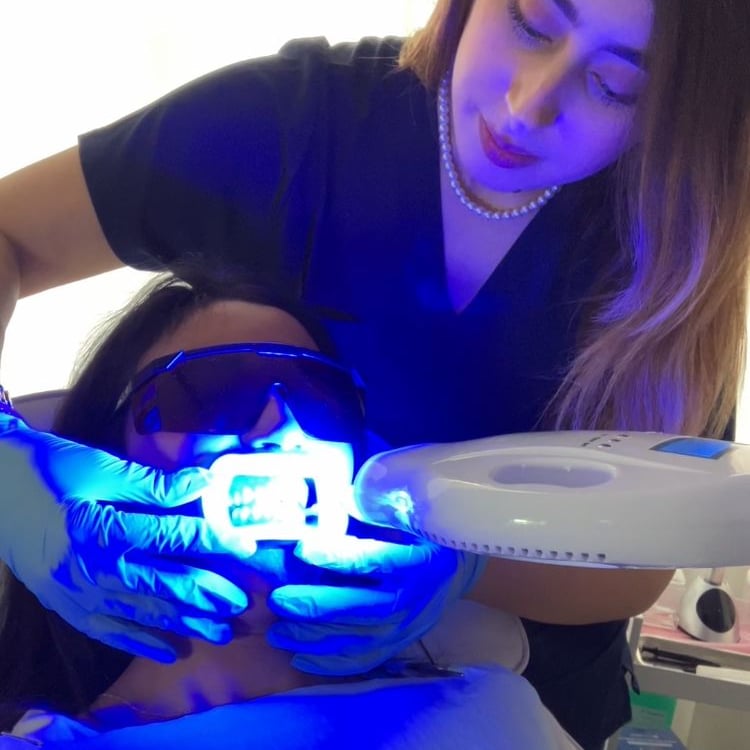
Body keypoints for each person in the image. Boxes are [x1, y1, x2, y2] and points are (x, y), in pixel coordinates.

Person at [1, 0, 749, 746]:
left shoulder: (671, 239)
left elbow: (639, 558)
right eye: (531, 23)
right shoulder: (296, 127)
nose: (527, 106)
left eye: (616, 85)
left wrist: (465, 567)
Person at [0, 272, 575, 749]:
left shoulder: (495, 705)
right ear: (105, 452)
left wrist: (470, 558)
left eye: (320, 400)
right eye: (215, 391)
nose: (282, 430)